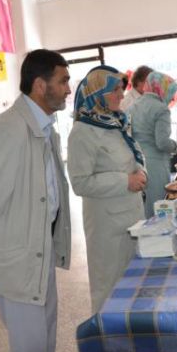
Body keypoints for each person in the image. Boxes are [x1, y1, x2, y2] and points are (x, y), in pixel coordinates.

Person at [0, 49, 72, 352]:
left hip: (40, 247)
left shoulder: (44, 126)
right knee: (31, 347)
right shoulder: (11, 128)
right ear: (40, 85)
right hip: (18, 257)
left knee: (46, 336)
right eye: (63, 81)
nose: (68, 88)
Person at [67, 65, 146, 313]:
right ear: (97, 92)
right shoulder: (82, 132)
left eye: (122, 89)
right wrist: (125, 181)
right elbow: (80, 182)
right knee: (110, 287)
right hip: (107, 226)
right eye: (115, 90)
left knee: (134, 283)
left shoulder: (115, 122)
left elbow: (133, 154)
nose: (121, 95)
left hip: (131, 215)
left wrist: (142, 172)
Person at [127, 71, 177, 218]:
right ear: (161, 89)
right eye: (171, 92)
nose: (172, 98)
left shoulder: (134, 106)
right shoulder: (160, 109)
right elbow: (162, 142)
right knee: (161, 208)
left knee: (147, 209)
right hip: (156, 165)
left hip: (138, 164)